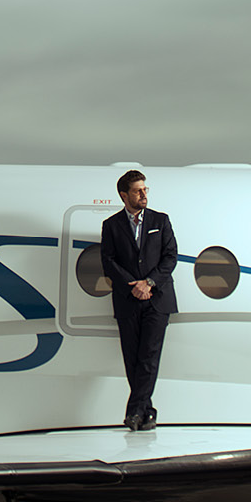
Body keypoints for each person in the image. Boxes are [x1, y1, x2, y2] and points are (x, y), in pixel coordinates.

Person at [99, 169, 178, 431]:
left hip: (157, 299)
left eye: (145, 189)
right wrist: (132, 286)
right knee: (132, 358)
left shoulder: (161, 220)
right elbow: (108, 262)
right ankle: (147, 412)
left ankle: (134, 413)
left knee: (149, 356)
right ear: (124, 195)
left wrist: (149, 283)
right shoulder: (111, 226)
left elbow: (170, 257)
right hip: (128, 299)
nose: (144, 194)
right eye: (138, 190)